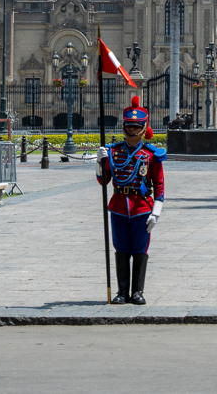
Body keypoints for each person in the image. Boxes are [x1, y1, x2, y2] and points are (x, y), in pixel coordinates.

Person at [95, 96, 166, 305]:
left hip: (142, 209)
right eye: (129, 126)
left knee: (140, 250)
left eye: (136, 127)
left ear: (143, 129)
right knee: (121, 249)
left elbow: (159, 186)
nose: (132, 130)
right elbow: (103, 181)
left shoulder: (151, 155)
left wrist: (156, 212)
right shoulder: (113, 152)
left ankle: (137, 292)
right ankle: (122, 292)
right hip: (118, 207)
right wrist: (99, 162)